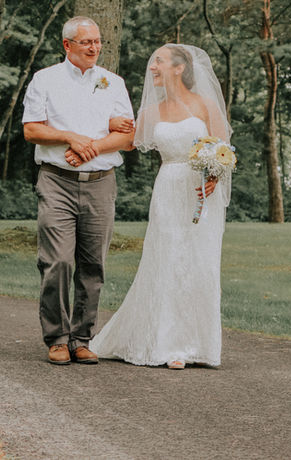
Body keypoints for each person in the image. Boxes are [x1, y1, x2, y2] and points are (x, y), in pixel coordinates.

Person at [90, 44, 232, 369]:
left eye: (159, 62)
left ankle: (201, 346)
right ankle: (169, 345)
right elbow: (125, 140)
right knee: (168, 258)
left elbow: (224, 149)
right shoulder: (151, 112)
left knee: (200, 262)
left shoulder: (205, 104)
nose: (152, 67)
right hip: (169, 188)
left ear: (179, 68)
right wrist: (88, 142)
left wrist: (215, 175)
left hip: (200, 194)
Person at [22, 16, 134, 365]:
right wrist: (71, 137)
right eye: (86, 42)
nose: (94, 47)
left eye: (98, 41)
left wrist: (94, 146)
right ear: (67, 44)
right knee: (56, 261)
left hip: (100, 184)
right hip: (56, 181)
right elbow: (32, 130)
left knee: (93, 264)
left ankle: (83, 338)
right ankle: (57, 338)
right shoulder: (45, 80)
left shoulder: (112, 83)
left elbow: (127, 137)